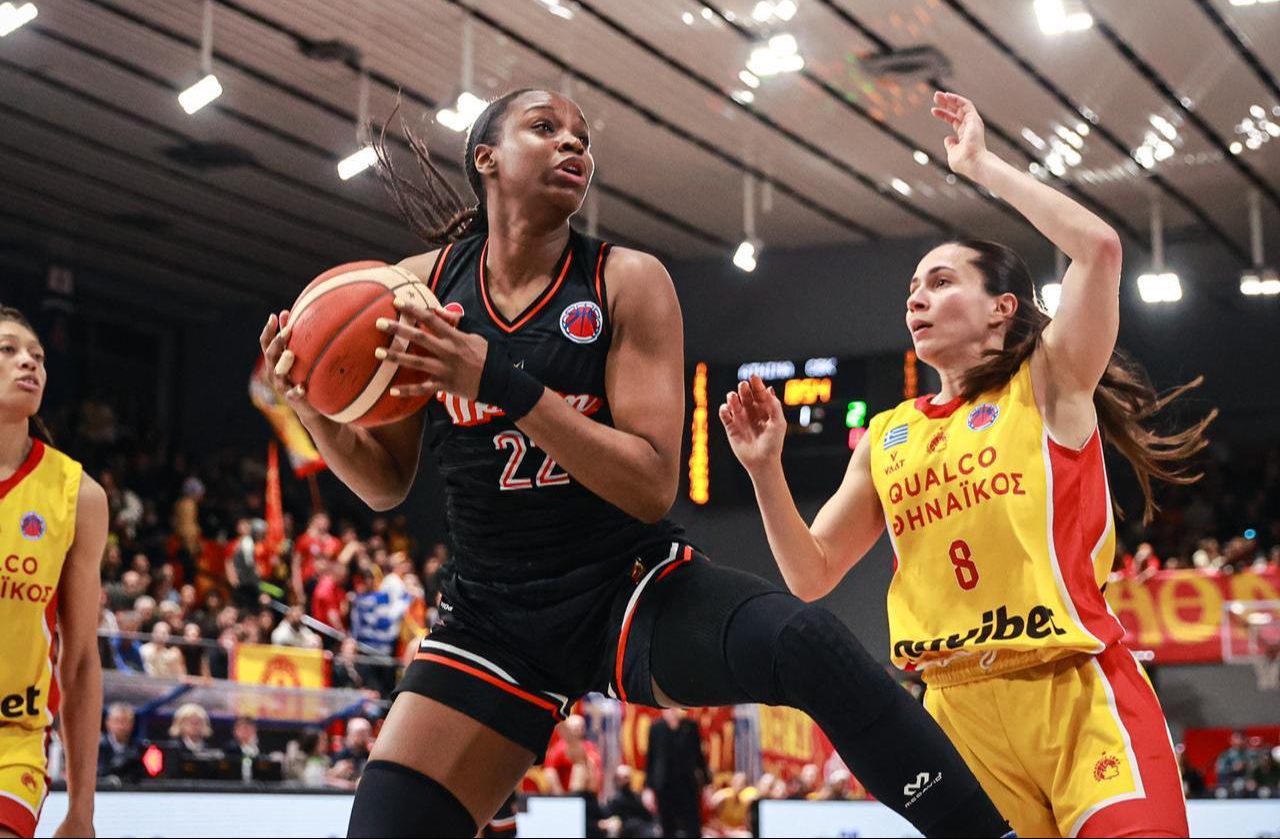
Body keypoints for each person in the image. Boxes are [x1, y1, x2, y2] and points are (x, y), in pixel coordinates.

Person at [259, 89, 1010, 838]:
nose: (573, 145)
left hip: (627, 588)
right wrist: (313, 408)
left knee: (805, 643)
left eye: (582, 138)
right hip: (491, 615)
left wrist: (500, 382)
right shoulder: (415, 289)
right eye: (545, 128)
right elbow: (385, 485)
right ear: (486, 158)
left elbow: (651, 485)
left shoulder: (626, 279)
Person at [721, 92, 1208, 839]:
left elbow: (1100, 249)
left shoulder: (1048, 381)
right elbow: (810, 574)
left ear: (1002, 307)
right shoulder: (887, 435)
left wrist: (981, 167)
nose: (916, 298)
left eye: (941, 281)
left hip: (1072, 693)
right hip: (954, 714)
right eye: (912, 289)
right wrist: (765, 470)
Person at [0, 305, 105, 837]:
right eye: (8, 350)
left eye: (38, 356)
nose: (29, 363)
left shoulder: (77, 495)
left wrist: (82, 810)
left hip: (12, 740)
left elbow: (81, 660)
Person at [644, 709, 707, 838]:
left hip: (687, 785)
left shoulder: (690, 727)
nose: (672, 711)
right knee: (667, 828)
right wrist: (648, 788)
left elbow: (700, 758)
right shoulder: (656, 728)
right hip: (664, 786)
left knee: (693, 828)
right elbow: (651, 760)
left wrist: (707, 783)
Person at [97, 703, 143, 783]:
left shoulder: (138, 748)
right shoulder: (98, 747)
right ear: (108, 722)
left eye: (125, 721)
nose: (121, 726)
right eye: (117, 721)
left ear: (132, 724)